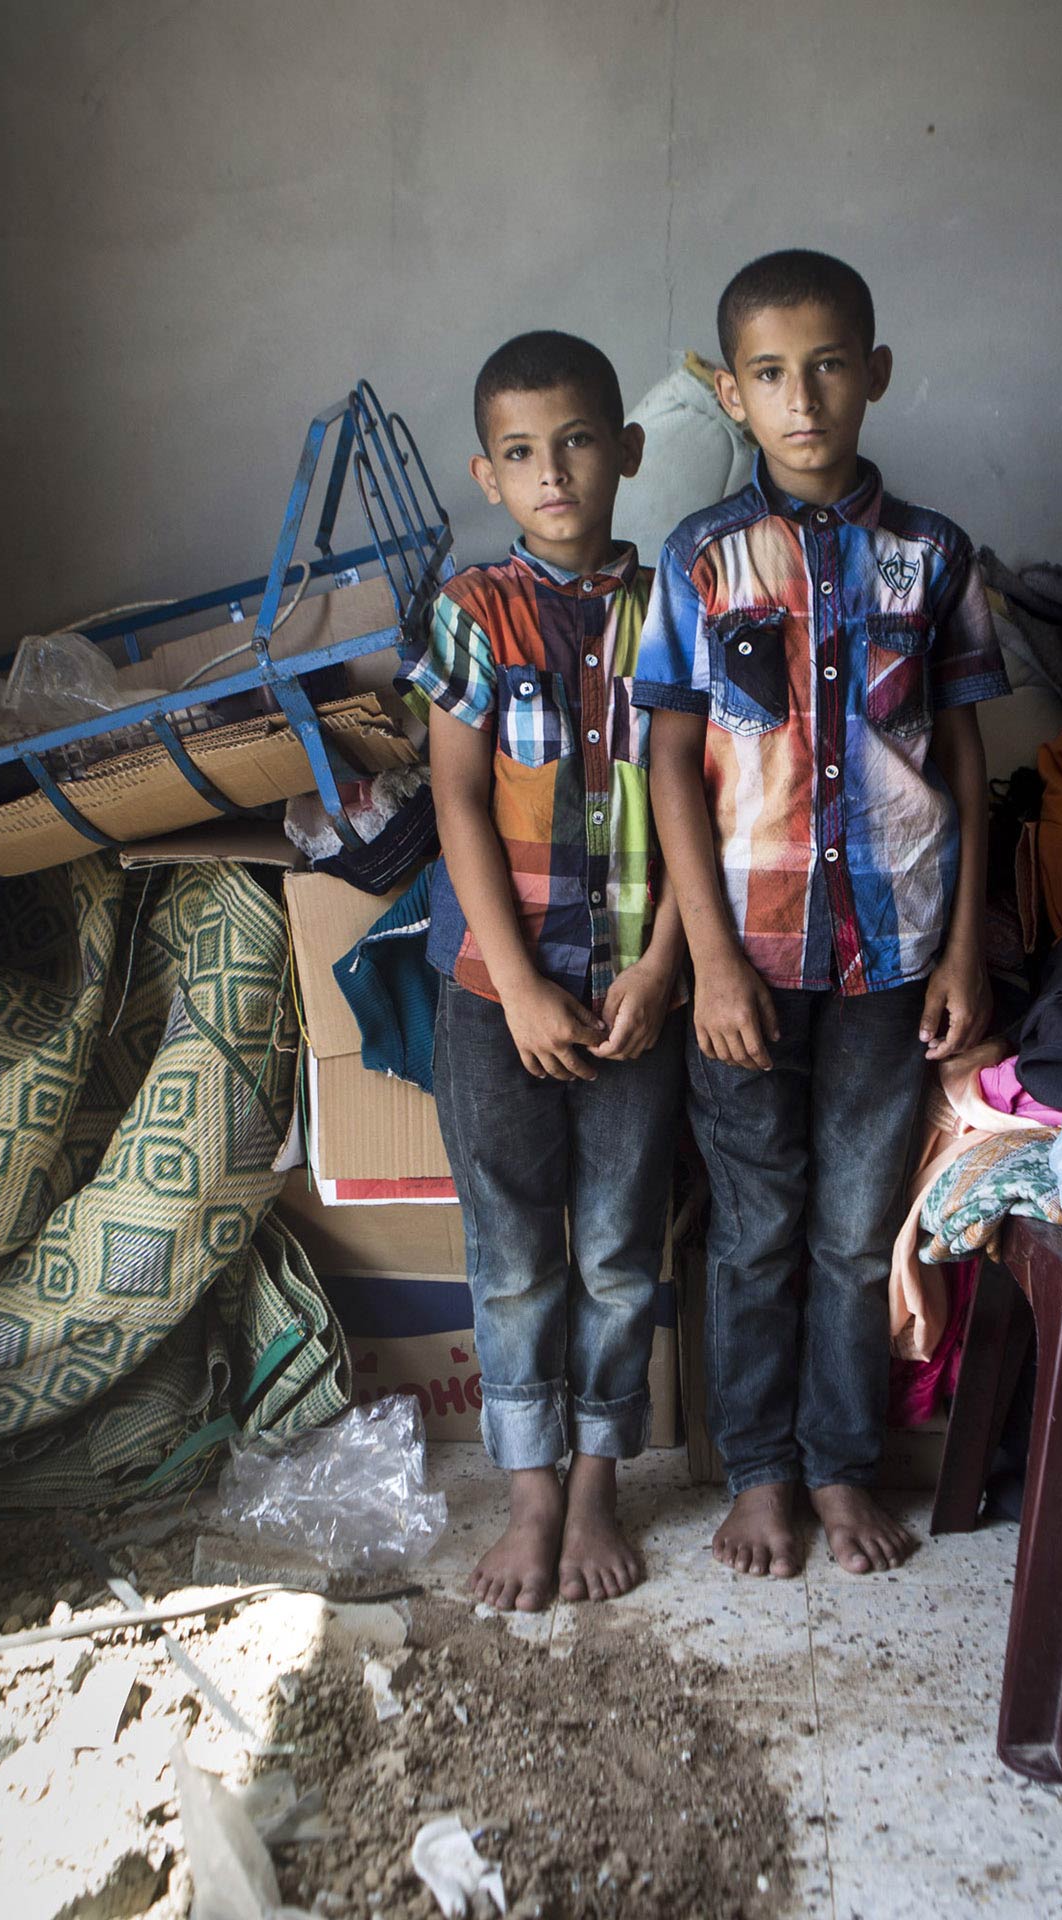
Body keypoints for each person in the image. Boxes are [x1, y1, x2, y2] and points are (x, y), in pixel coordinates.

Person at [634, 250, 1010, 1576]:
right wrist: (712, 964)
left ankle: (845, 1466)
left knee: (856, 1225)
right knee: (756, 1226)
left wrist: (965, 943)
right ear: (733, 395)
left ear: (876, 375)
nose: (806, 397)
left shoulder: (934, 556)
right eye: (774, 374)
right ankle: (759, 1473)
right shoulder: (700, 560)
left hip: (891, 954)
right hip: (747, 957)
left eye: (831, 365)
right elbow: (670, 763)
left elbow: (964, 756)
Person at [399, 330, 687, 1612]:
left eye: (577, 441)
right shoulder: (473, 610)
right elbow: (457, 801)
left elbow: (711, 805)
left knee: (622, 1250)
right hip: (491, 993)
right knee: (512, 1248)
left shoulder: (676, 604)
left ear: (626, 450)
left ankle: (598, 1482)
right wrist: (515, 983)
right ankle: (526, 1493)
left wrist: (669, 968)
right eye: (522, 452)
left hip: (637, 989)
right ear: (488, 472)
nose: (554, 471)